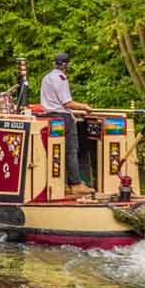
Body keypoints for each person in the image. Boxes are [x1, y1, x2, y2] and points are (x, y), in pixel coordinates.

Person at [40, 52, 95, 196]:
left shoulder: (46, 78)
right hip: (63, 118)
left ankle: (61, 184)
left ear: (54, 63)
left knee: (55, 152)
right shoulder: (61, 78)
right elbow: (67, 103)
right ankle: (76, 184)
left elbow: (50, 103)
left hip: (50, 117)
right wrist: (85, 107)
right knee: (71, 150)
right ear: (66, 65)